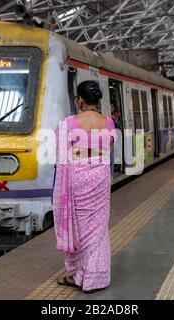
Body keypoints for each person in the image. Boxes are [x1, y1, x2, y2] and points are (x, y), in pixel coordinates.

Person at [53, 80, 116, 294]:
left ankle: (78, 274)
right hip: (99, 179)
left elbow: (60, 153)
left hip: (77, 180)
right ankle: (94, 277)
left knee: (77, 227)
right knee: (97, 229)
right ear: (97, 101)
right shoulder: (108, 123)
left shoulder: (68, 124)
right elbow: (109, 148)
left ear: (80, 101)